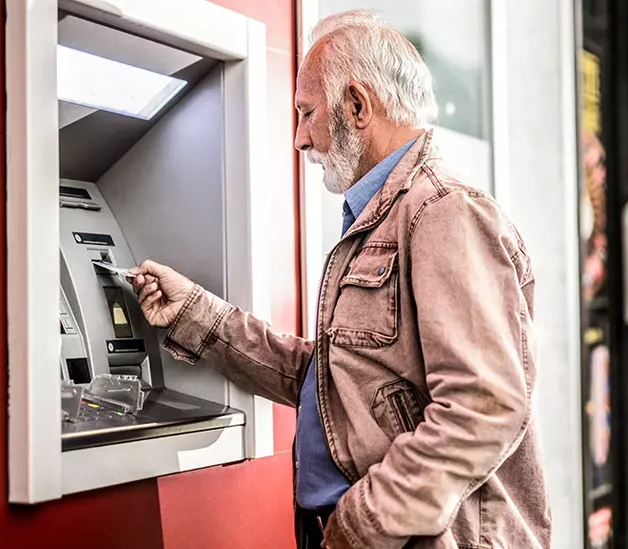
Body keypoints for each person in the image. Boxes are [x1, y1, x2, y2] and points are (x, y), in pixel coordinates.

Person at [130, 9, 550, 549]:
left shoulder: (442, 213)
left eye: (307, 113)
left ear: (356, 105)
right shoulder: (384, 216)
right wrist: (196, 314)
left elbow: (484, 408)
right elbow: (335, 382)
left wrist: (360, 525)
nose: (300, 139)